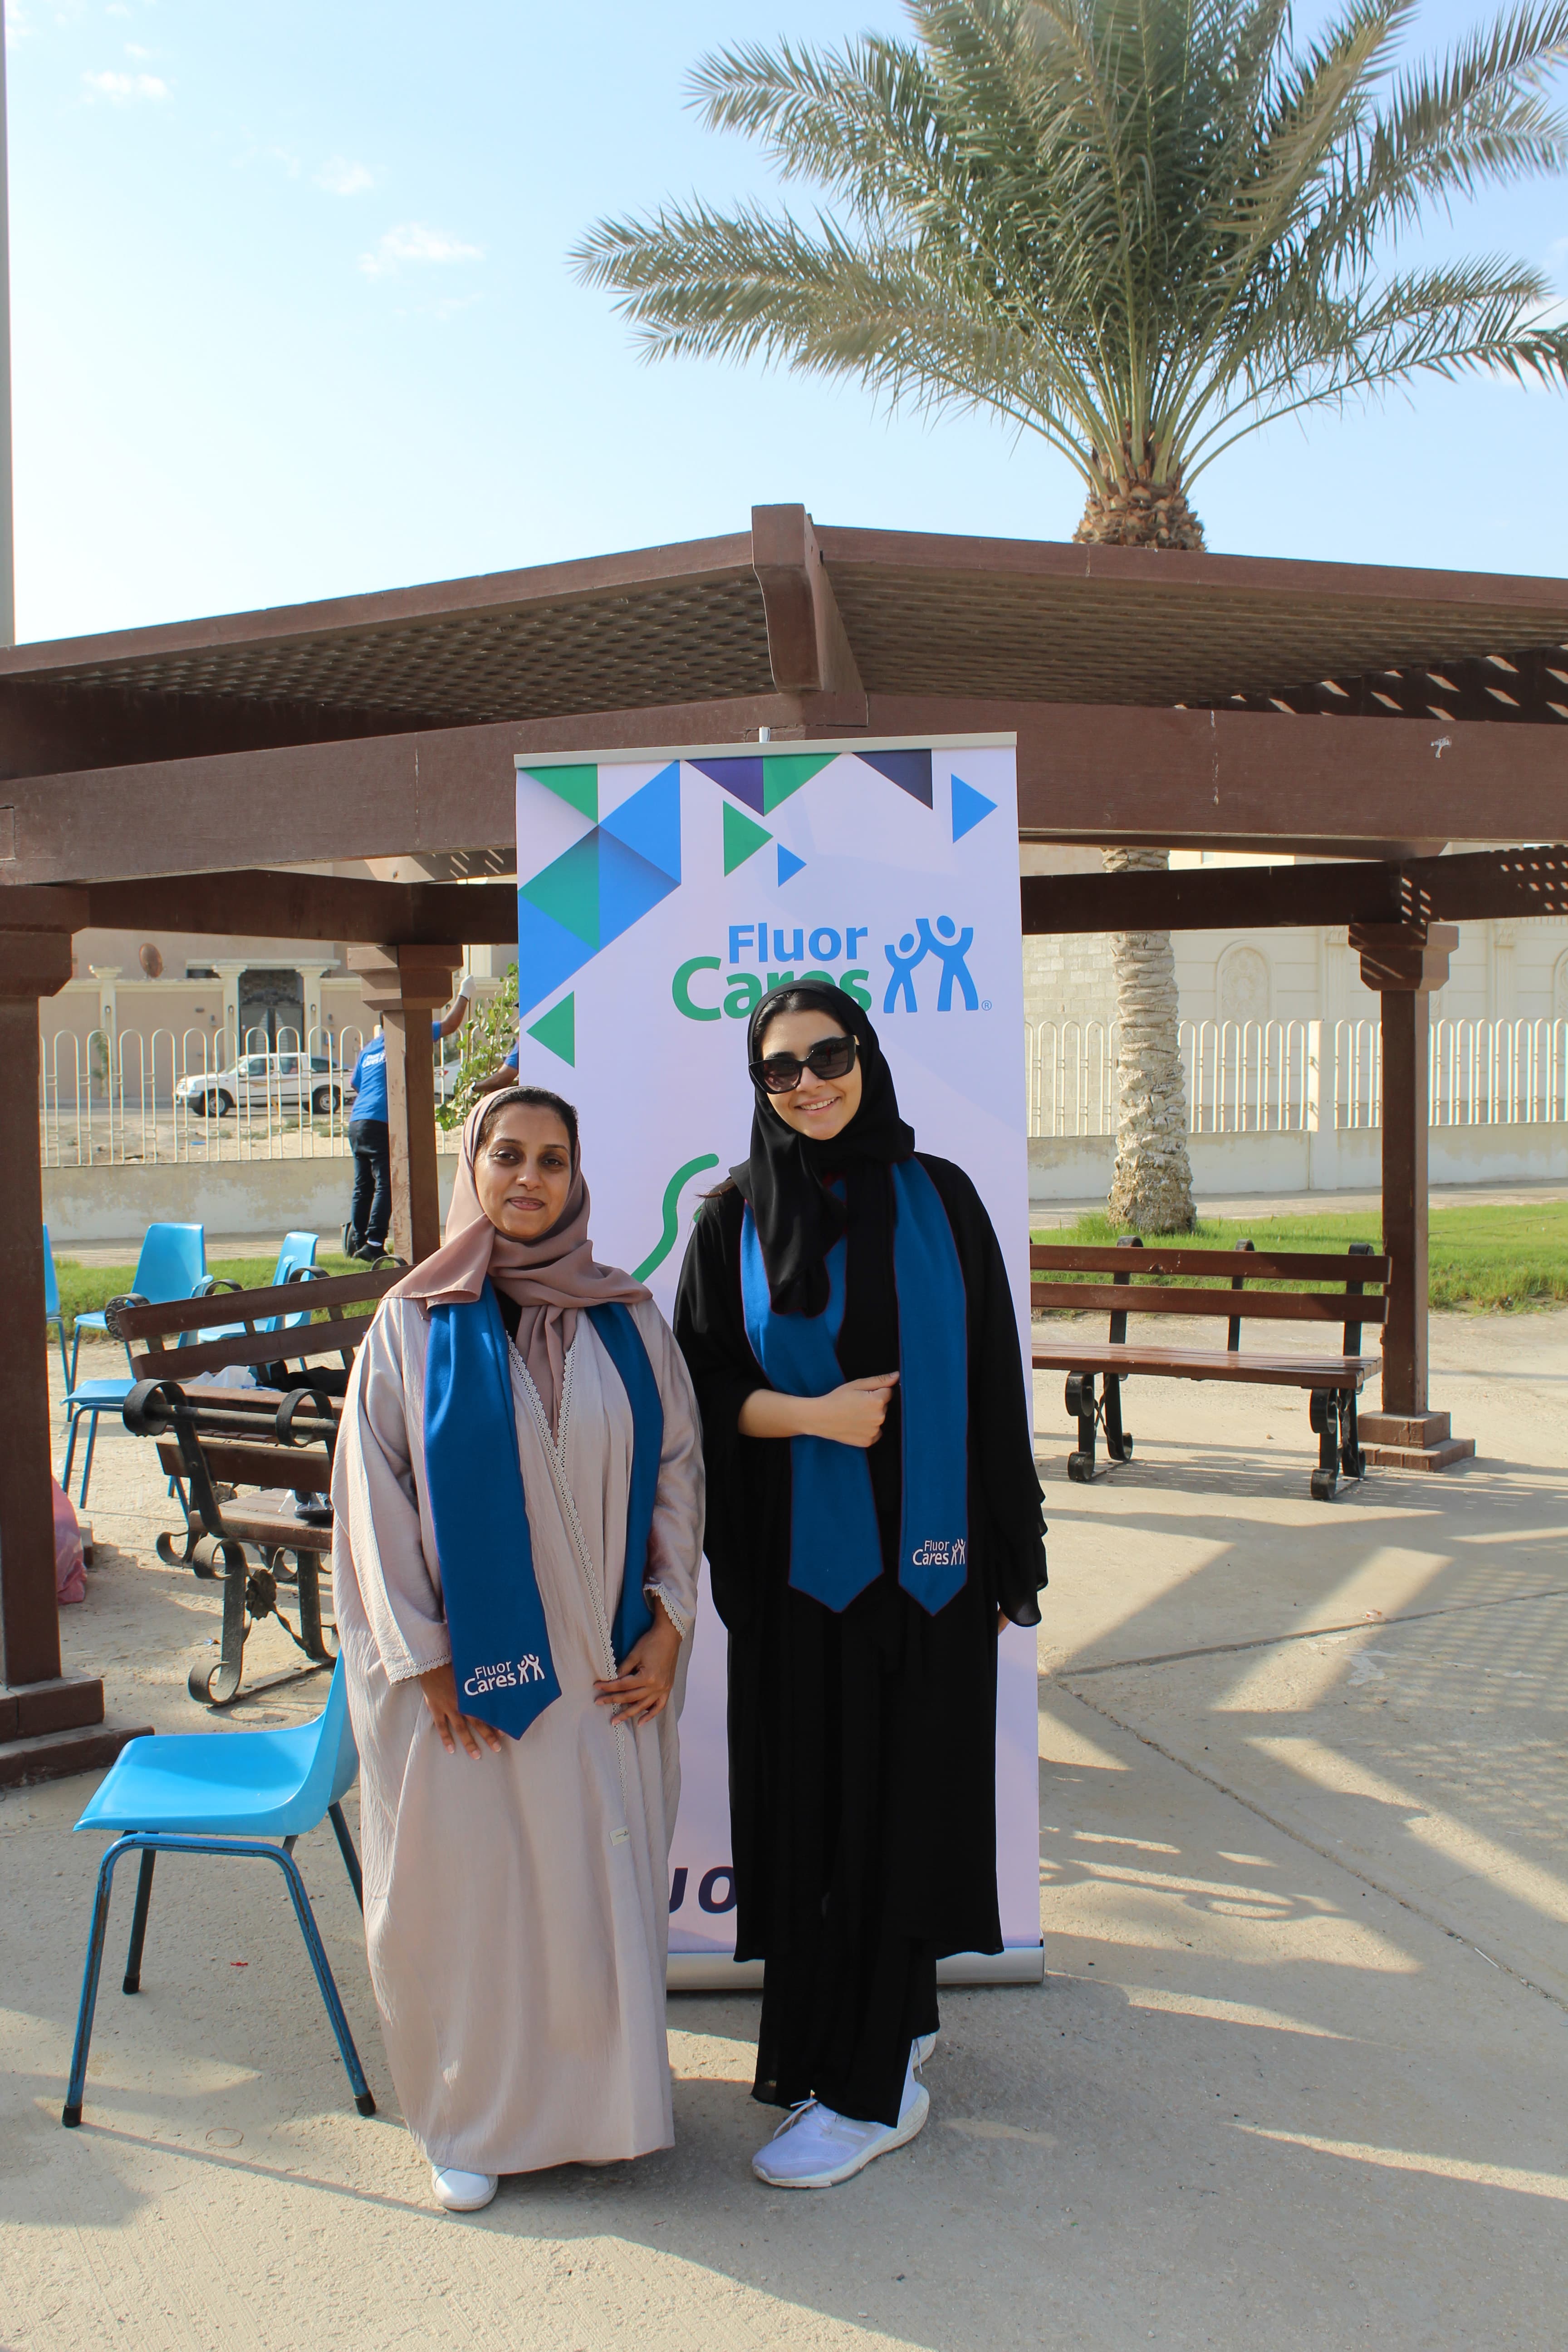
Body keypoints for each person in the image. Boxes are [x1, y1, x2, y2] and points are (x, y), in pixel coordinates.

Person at [674, 982, 1047, 2190]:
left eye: (826, 1056)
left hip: (927, 1579)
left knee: (898, 1808)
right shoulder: (730, 1217)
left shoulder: (941, 1198)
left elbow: (991, 1380)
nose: (807, 1083)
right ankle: (862, 2028)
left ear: (867, 1058)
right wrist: (815, 1417)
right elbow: (702, 1387)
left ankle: (873, 2089)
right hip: (795, 1579)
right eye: (779, 1069)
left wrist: (1010, 1550)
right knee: (816, 1813)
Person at [332, 1085, 705, 2212]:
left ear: (578, 1175)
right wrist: (430, 1658)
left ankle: (602, 2109)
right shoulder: (411, 1322)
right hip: (467, 1690)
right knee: (479, 1902)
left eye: (550, 1158)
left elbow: (680, 1471)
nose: (528, 1177)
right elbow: (371, 1509)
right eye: (506, 1155)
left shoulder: (625, 1316)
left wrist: (671, 1619)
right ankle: (473, 2116)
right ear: (472, 1168)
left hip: (600, 1669)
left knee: (592, 1889)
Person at [343, 981, 475, 1260]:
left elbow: (356, 1083)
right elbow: (451, 1025)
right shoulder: (409, 1032)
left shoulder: (370, 1049)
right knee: (387, 1183)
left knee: (363, 1184)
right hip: (382, 1119)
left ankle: (357, 1242)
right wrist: (465, 994)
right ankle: (375, 1244)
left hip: (357, 1122)